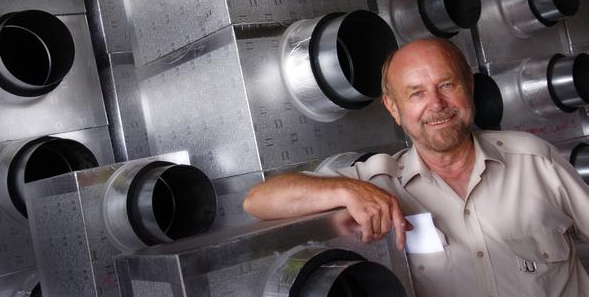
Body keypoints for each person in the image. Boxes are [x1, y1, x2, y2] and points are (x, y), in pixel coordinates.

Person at [243, 38, 589, 297]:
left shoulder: (534, 159)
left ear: (469, 88)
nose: (436, 104)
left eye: (447, 85)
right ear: (394, 109)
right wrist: (346, 189)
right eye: (416, 94)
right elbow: (259, 200)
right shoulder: (379, 181)